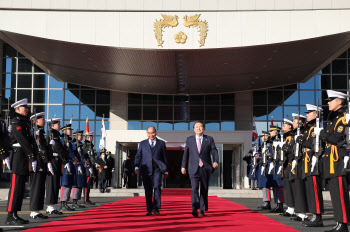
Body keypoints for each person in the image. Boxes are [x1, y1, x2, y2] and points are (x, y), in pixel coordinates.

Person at [314, 90, 350, 232]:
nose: (328, 102)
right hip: (331, 162)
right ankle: (339, 223)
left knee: (340, 193)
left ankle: (343, 224)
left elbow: (336, 139)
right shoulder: (334, 119)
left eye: (331, 100)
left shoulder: (342, 119)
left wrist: (321, 133)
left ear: (339, 101)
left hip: (338, 161)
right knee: (335, 194)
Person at [181, 121, 218, 217]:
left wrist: (215, 161)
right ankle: (194, 208)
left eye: (200, 126)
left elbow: (214, 150)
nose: (198, 128)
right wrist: (183, 166)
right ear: (194, 129)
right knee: (194, 189)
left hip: (205, 168)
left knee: (204, 189)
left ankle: (202, 209)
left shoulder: (209, 139)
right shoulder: (189, 139)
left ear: (203, 128)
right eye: (196, 127)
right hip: (193, 168)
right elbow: (186, 154)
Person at [296, 104, 324, 227]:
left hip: (314, 162)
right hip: (307, 163)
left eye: (309, 112)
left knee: (314, 191)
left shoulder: (316, 128)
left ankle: (317, 217)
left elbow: (314, 145)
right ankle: (314, 216)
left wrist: (301, 140)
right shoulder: (308, 129)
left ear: (316, 114)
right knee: (310, 191)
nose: (307, 115)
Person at [5, 98, 33, 225]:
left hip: (23, 157)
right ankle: (10, 215)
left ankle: (15, 214)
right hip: (17, 157)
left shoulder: (25, 122)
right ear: (17, 109)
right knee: (15, 187)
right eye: (24, 107)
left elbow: (30, 141)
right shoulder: (16, 121)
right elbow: (23, 141)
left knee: (21, 188)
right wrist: (32, 156)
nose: (27, 109)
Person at [135, 126, 168, 216]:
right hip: (146, 170)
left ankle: (156, 208)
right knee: (148, 190)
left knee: (157, 187)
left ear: (156, 133)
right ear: (147, 134)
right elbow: (138, 156)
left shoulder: (161, 143)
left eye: (152, 132)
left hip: (157, 169)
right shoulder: (142, 143)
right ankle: (149, 209)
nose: (151, 135)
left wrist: (166, 170)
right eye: (149, 133)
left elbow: (165, 157)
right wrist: (136, 166)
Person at [289, 113, 309, 222]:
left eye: (295, 122)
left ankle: (303, 214)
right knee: (296, 187)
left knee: (300, 187)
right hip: (295, 162)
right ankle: (300, 211)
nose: (293, 123)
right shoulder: (295, 134)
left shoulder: (304, 132)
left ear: (300, 122)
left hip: (302, 163)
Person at [29, 112, 49, 220]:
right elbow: (38, 148)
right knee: (36, 186)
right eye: (42, 119)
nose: (44, 121)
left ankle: (37, 210)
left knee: (40, 186)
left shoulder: (40, 132)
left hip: (41, 161)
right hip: (37, 161)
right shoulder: (35, 132)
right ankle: (34, 211)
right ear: (36, 121)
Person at [45, 118, 66, 215]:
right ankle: (50, 206)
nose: (60, 126)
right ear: (52, 125)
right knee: (52, 183)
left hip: (57, 161)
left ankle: (52, 205)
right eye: (58, 124)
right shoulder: (52, 134)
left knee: (55, 183)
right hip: (53, 160)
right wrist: (65, 158)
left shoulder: (56, 134)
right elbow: (58, 148)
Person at [280, 118, 296, 218]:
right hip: (285, 165)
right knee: (287, 188)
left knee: (291, 187)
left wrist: (284, 147)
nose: (283, 127)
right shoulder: (286, 137)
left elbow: (292, 151)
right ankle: (290, 208)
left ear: (290, 126)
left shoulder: (292, 137)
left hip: (291, 165)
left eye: (284, 125)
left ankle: (292, 208)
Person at [59, 124, 76, 211]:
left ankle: (66, 202)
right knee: (65, 184)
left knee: (69, 184)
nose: (71, 132)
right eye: (69, 130)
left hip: (70, 163)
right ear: (65, 131)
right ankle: (62, 203)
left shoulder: (69, 141)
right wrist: (65, 161)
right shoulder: (62, 140)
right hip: (65, 163)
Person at [256, 131, 273, 210]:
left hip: (266, 167)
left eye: (263, 136)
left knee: (266, 185)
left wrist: (259, 157)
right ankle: (266, 201)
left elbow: (267, 157)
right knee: (264, 185)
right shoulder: (263, 145)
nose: (262, 137)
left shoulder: (269, 145)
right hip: (262, 166)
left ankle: (267, 202)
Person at [71, 130, 86, 209]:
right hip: (76, 166)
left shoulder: (80, 145)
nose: (82, 137)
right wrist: (77, 163)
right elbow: (74, 155)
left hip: (80, 165)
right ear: (76, 136)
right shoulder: (75, 144)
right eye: (80, 136)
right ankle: (74, 201)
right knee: (76, 184)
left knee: (80, 184)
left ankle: (77, 201)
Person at [83, 131, 96, 205]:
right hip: (87, 168)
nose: (91, 138)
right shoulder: (86, 146)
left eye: (92, 137)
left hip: (91, 167)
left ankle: (87, 198)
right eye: (90, 137)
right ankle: (85, 199)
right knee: (87, 185)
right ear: (87, 138)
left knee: (89, 184)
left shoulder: (90, 146)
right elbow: (87, 157)